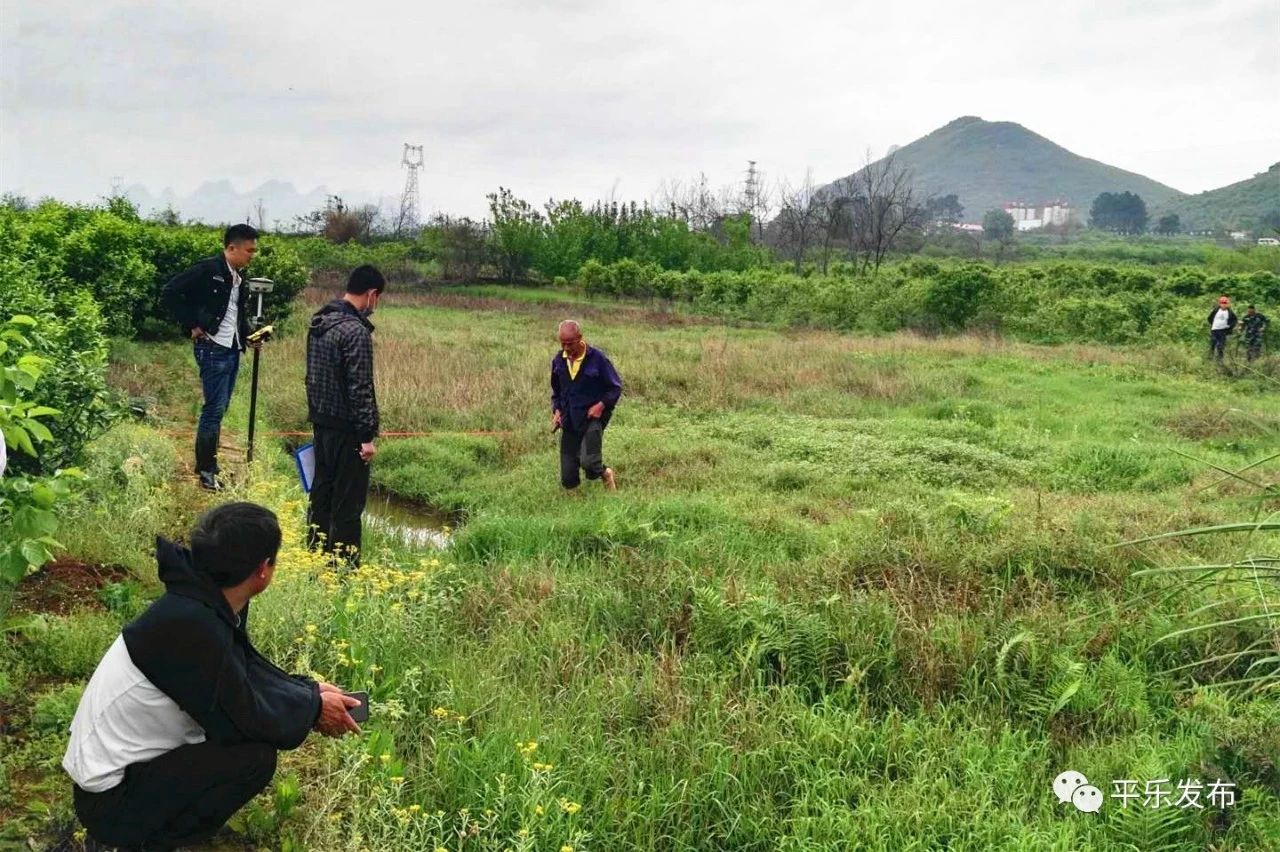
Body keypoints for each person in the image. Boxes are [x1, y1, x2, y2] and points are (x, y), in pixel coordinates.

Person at [63, 503, 362, 851]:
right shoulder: (192, 625)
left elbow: (243, 671)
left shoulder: (200, 600)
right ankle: (149, 843)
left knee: (245, 742)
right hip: (110, 804)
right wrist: (312, 709)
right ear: (264, 570)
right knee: (253, 758)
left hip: (122, 777)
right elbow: (247, 714)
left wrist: (307, 691)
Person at [161, 224, 261, 491]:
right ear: (232, 248)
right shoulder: (207, 270)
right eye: (249, 250)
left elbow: (234, 315)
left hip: (231, 347)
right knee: (213, 410)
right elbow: (170, 293)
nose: (252, 255)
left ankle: (210, 465)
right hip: (212, 347)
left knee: (220, 409)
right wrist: (192, 325)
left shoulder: (238, 278)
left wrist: (250, 335)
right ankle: (206, 470)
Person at [305, 265, 385, 562]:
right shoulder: (356, 331)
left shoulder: (320, 321)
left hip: (321, 424)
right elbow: (360, 386)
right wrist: (366, 437)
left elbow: (311, 376)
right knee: (348, 508)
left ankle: (314, 558)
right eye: (377, 300)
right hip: (349, 431)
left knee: (321, 496)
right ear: (372, 295)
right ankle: (345, 571)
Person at [550, 320, 622, 491]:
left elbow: (615, 388)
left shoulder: (597, 359)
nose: (566, 348)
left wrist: (601, 405)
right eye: (563, 344)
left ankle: (606, 474)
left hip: (592, 418)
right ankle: (574, 506)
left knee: (590, 464)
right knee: (567, 478)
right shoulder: (558, 360)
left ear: (580, 338)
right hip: (569, 419)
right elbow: (556, 392)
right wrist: (557, 410)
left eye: (570, 343)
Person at [1206, 295, 1237, 362]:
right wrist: (1214, 325)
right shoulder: (1216, 310)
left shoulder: (1230, 312)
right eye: (1222, 303)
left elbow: (1235, 320)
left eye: (1225, 303)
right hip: (1214, 330)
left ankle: (1220, 360)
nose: (1224, 305)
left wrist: (1229, 326)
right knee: (1212, 343)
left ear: (1227, 304)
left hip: (1223, 331)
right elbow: (1209, 318)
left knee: (1220, 346)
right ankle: (1210, 358)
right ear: (1220, 304)